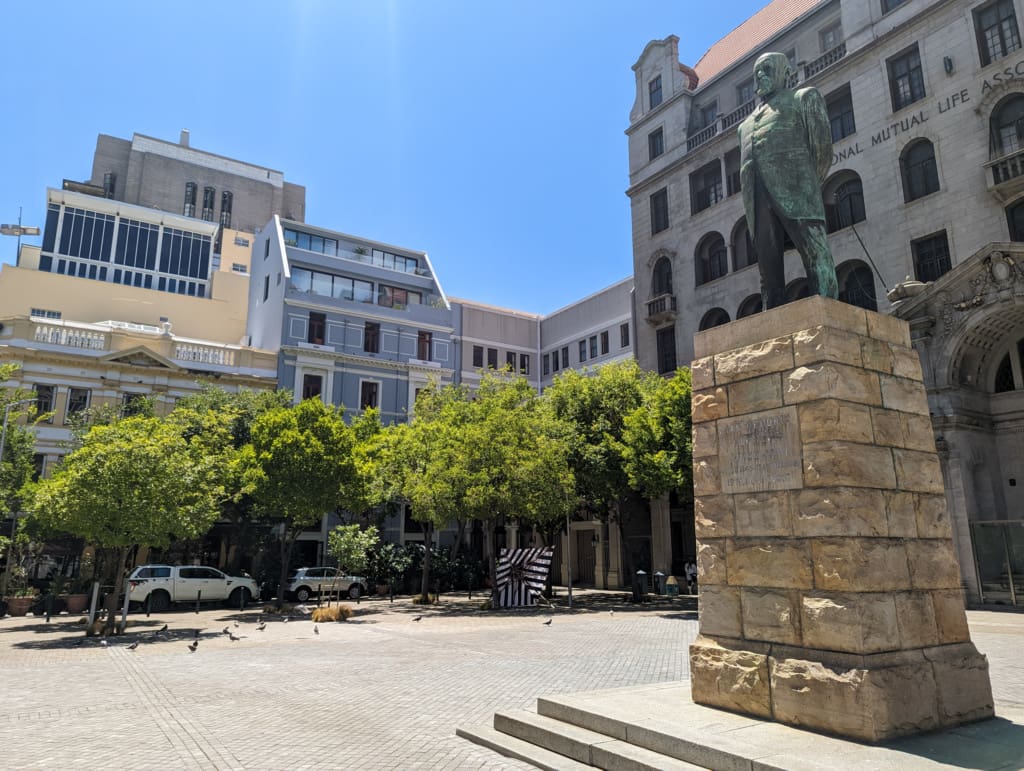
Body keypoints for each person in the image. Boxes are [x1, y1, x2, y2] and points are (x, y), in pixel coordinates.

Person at [737, 51, 838, 309]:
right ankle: (773, 315)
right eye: (757, 72)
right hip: (757, 198)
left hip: (798, 190)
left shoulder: (803, 98)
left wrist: (808, 186)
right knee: (768, 269)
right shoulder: (744, 125)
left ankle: (827, 309)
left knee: (816, 255)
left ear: (785, 72)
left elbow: (822, 151)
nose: (760, 75)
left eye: (767, 69)